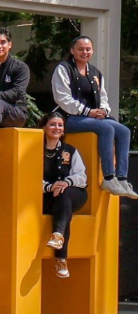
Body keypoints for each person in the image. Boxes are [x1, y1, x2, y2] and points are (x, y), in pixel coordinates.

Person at [50, 35, 137, 198]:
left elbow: (103, 97)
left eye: (88, 49)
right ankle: (109, 177)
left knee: (124, 131)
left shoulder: (95, 73)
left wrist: (103, 110)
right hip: (69, 118)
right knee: (106, 128)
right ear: (72, 50)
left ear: (93, 51)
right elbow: (62, 98)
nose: (84, 52)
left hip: (92, 117)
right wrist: (88, 112)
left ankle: (122, 178)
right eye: (80, 49)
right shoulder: (64, 69)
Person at [41, 112, 84, 279]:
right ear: (44, 127)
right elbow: (30, 177)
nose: (56, 128)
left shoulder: (70, 151)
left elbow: (81, 176)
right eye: (52, 124)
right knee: (63, 210)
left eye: (60, 125)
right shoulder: (36, 150)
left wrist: (66, 183)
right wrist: (50, 187)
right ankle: (61, 258)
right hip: (47, 195)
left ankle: (58, 235)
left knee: (64, 196)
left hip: (74, 192)